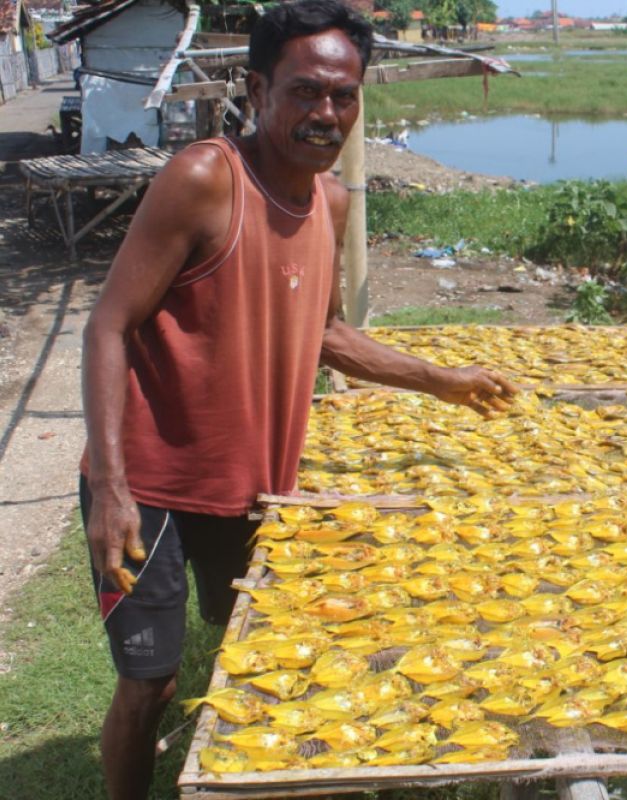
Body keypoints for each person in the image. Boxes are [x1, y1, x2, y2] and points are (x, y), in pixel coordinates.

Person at [79, 1, 517, 796]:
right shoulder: (207, 180)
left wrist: (441, 381)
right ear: (257, 88)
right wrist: (110, 490)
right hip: (152, 489)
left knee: (255, 644)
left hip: (253, 489)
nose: (326, 114)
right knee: (151, 683)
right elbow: (108, 326)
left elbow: (324, 334)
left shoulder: (331, 203)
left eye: (343, 95)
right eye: (305, 92)